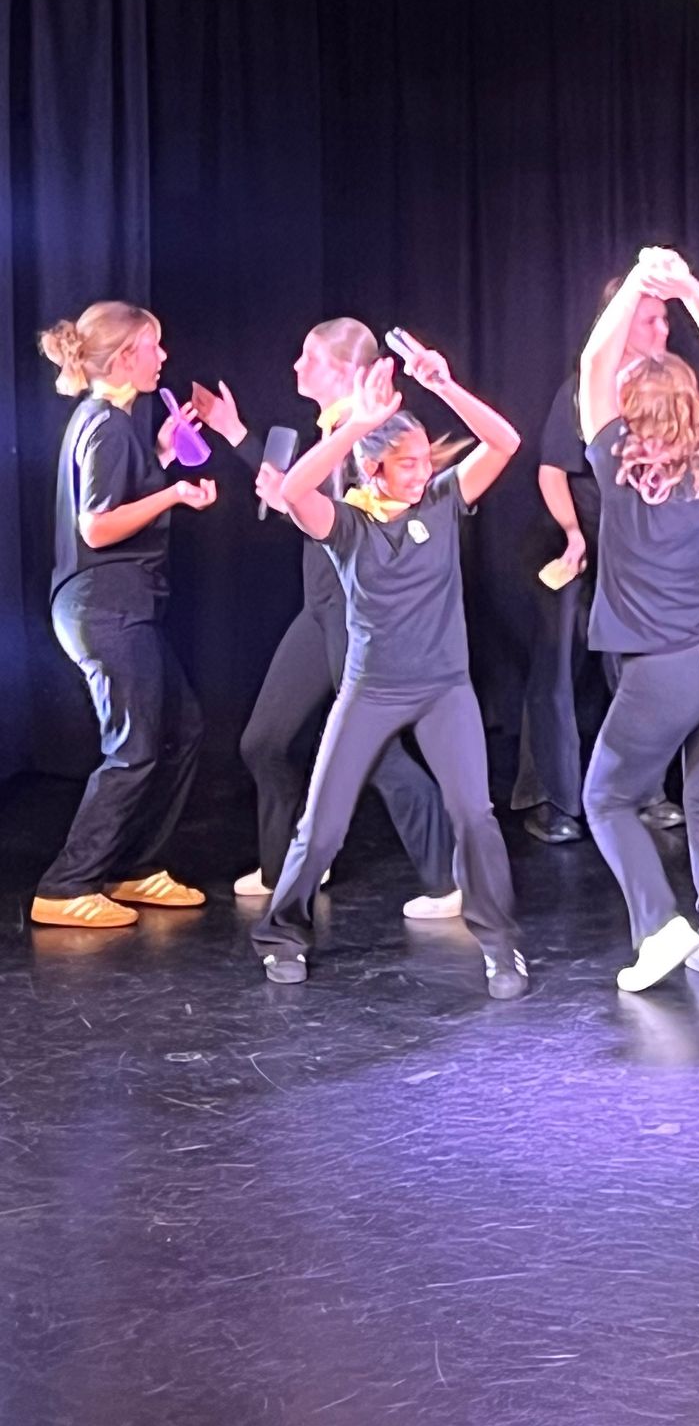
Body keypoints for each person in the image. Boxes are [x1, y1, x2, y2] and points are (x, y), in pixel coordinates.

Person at [251, 341, 529, 996]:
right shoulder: (347, 525)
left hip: (444, 690)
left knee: (475, 816)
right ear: (373, 467)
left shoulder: (443, 500)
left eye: (425, 459)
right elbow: (293, 491)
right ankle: (283, 936)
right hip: (371, 691)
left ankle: (501, 948)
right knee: (322, 828)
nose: (422, 471)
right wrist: (356, 423)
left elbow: (506, 442)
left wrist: (445, 384)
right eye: (407, 463)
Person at [578, 249, 699, 993]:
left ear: (631, 409)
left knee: (606, 798)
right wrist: (690, 287)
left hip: (665, 670)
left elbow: (594, 361)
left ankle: (660, 926)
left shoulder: (616, 462)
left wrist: (638, 279)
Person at [224, 319, 458, 917]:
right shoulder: (331, 433)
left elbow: (380, 523)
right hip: (320, 609)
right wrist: (242, 442)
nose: (297, 366)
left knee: (375, 755)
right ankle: (286, 865)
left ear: (347, 372)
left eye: (310, 358)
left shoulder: (371, 438)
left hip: (355, 614)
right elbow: (308, 508)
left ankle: (450, 878)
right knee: (264, 741)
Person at [29, 304, 216, 927]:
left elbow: (116, 499)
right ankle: (66, 886)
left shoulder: (116, 422)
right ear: (126, 356)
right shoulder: (107, 425)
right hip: (104, 608)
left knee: (181, 729)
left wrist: (160, 453)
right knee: (133, 747)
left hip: (119, 605)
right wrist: (175, 493)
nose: (163, 357)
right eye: (153, 346)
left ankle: (134, 867)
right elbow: (97, 527)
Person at [514, 278, 681, 845]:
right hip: (576, 546)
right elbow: (552, 471)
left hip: (634, 557)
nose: (663, 329)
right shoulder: (584, 390)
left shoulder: (669, 390)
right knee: (559, 670)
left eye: (665, 319)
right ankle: (556, 801)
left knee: (638, 671)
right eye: (650, 320)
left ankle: (646, 791)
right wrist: (572, 533)